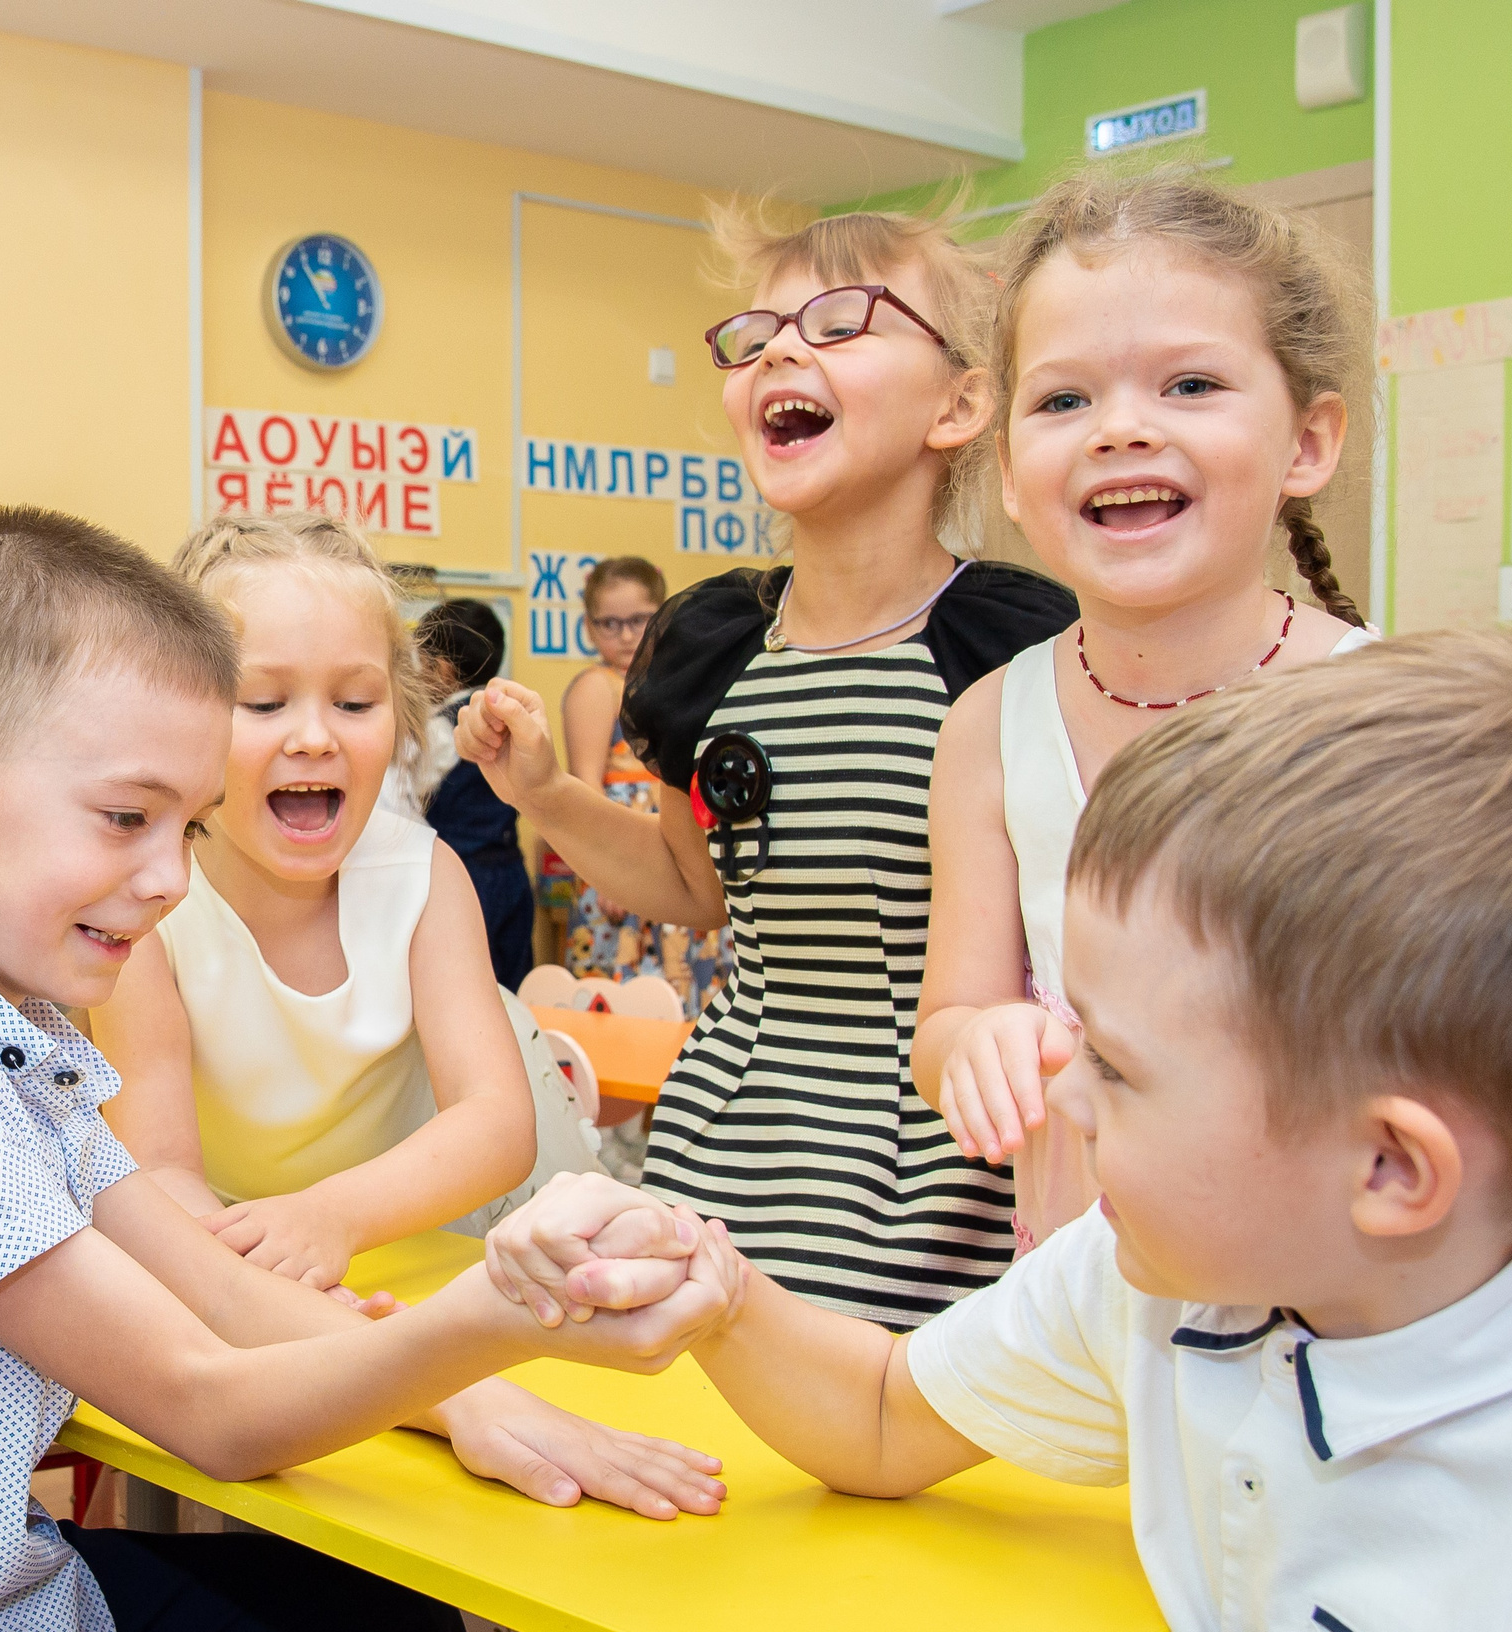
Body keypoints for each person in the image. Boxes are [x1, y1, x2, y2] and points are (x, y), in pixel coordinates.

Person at [491, 627, 1512, 1632]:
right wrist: (720, 1290)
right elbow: (882, 1413)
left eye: (1116, 1063)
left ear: (1391, 1169)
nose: (1064, 1089)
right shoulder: (1185, 1266)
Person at [0, 507, 729, 1632]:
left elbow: (213, 1286)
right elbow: (207, 1403)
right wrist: (494, 1320)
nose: (167, 877)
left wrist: (471, 1399)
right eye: (125, 818)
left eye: (183, 824)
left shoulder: (13, 1029)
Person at [459, 209, 1078, 1328]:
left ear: (961, 403)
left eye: (843, 323)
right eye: (756, 336)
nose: (784, 352)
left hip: (940, 1196)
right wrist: (546, 794)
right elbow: (696, 890)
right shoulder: (714, 646)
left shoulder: (1016, 650)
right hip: (724, 1162)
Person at [915, 167, 1377, 1249]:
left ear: (1306, 442)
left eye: (1189, 386)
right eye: (1064, 399)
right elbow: (946, 1018)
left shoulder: (1380, 713)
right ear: (1012, 476)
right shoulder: (988, 726)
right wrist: (979, 1040)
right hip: (1079, 1274)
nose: (1120, 428)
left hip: (1332, 1279)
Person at [93, 515, 596, 1299]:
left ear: (399, 721)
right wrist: (266, 1276)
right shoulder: (147, 904)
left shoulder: (423, 876)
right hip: (252, 1243)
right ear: (179, 717)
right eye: (263, 702)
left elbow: (498, 1123)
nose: (315, 737)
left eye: (356, 703)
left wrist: (333, 1216)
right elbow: (157, 1167)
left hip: (441, 1225)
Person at [555, 556, 730, 1017]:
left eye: (638, 620)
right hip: (623, 864)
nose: (627, 635)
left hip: (677, 861)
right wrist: (610, 867)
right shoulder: (599, 686)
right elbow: (586, 785)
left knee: (684, 1002)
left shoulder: (670, 686)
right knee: (621, 1005)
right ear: (590, 629)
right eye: (609, 624)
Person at [412, 598, 535, 990]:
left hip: (463, 877)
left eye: (418, 663)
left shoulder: (442, 728)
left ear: (442, 671)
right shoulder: (505, 717)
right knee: (511, 985)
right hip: (511, 871)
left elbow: (408, 794)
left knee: (463, 985)